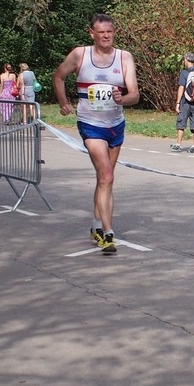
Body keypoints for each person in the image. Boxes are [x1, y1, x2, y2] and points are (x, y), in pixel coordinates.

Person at [52, 13, 139, 254]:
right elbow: (58, 77)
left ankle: (95, 225)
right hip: (90, 124)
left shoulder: (124, 58)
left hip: (115, 124)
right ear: (91, 33)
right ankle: (108, 234)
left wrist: (124, 98)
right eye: (101, 33)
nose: (106, 36)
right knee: (107, 176)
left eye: (109, 32)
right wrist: (63, 102)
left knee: (105, 179)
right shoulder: (80, 54)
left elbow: (135, 95)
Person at [171, 52, 194, 154]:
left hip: (185, 102)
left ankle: (178, 144)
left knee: (181, 123)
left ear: (186, 60)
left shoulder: (185, 72)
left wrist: (177, 103)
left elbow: (181, 87)